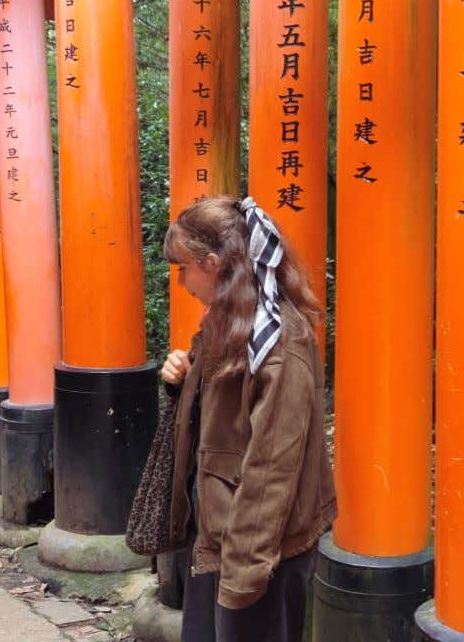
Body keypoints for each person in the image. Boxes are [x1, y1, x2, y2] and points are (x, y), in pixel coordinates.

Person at [161, 195, 336, 642]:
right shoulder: (230, 321)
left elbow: (271, 471)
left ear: (214, 262)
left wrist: (243, 576)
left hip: (258, 550)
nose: (180, 282)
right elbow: (220, 417)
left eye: (184, 268)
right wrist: (182, 381)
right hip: (220, 536)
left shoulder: (279, 342)